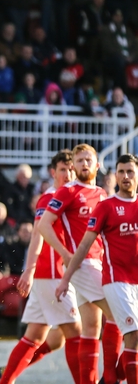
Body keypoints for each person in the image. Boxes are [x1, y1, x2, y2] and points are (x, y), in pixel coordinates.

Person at [36, 143, 120, 384]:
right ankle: (112, 378)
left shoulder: (102, 194)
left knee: (91, 329)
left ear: (97, 164)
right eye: (80, 160)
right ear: (73, 164)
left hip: (99, 264)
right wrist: (64, 253)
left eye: (88, 159)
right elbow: (43, 226)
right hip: (82, 266)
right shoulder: (68, 191)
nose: (84, 164)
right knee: (119, 316)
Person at [0, 150, 82, 384]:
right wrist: (30, 269)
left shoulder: (71, 195)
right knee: (76, 332)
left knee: (37, 336)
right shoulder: (51, 197)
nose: (68, 173)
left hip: (55, 274)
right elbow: (37, 234)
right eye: (63, 169)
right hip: (53, 273)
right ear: (52, 172)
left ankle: (5, 378)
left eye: (71, 169)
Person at [56, 153, 138, 384]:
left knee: (91, 329)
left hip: (130, 279)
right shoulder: (105, 206)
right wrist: (66, 276)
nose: (125, 176)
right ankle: (110, 378)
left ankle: (103, 380)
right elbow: (84, 244)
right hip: (115, 280)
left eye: (130, 171)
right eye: (121, 172)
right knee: (131, 334)